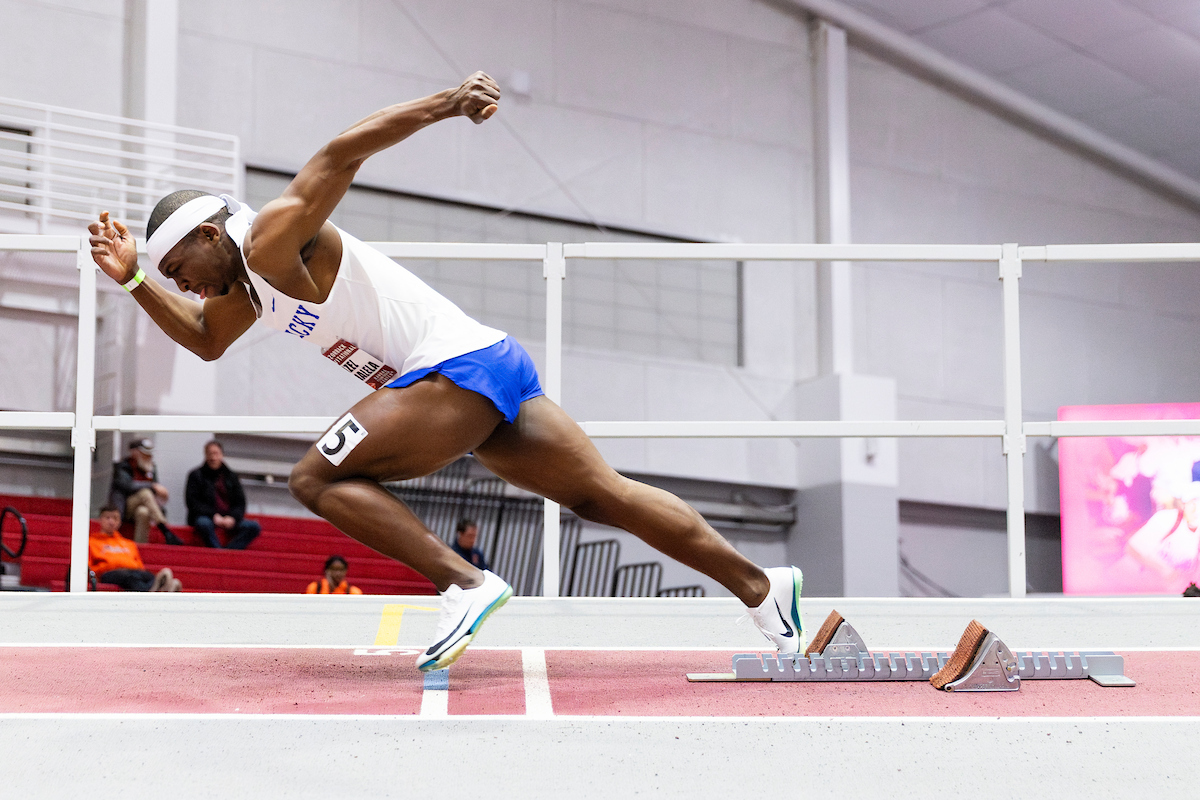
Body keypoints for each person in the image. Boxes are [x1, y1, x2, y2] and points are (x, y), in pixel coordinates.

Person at [87, 71, 804, 673]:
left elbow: (339, 153)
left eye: (180, 269)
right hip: (484, 365)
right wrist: (134, 281)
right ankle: (762, 586)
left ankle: (465, 583)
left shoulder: (271, 238)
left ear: (212, 234)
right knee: (600, 496)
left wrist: (448, 103)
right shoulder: (245, 286)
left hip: (453, 373)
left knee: (314, 478)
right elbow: (206, 342)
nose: (184, 286)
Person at [185, 440, 261, 549]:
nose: (213, 457)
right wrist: (213, 515)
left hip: (228, 518)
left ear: (222, 455)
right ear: (205, 455)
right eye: (210, 454)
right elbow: (192, 502)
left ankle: (227, 552)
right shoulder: (196, 475)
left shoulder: (232, 476)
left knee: (254, 527)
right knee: (203, 524)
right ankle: (219, 553)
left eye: (216, 453)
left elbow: (240, 503)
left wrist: (233, 518)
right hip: (207, 518)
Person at [89, 505, 181, 591]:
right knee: (127, 577)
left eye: (115, 518)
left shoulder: (129, 543)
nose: (111, 521)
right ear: (100, 520)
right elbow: (89, 568)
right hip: (109, 573)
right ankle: (157, 590)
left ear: (120, 522)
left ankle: (157, 588)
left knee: (147, 576)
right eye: (107, 518)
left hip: (133, 572)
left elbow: (139, 566)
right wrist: (107, 567)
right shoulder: (91, 542)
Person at [110, 439, 183, 545]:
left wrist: (160, 495)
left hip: (143, 505)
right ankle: (164, 529)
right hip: (126, 505)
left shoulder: (151, 468)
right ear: (135, 452)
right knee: (145, 492)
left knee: (143, 512)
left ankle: (140, 546)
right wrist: (152, 486)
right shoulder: (123, 466)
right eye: (144, 453)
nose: (148, 456)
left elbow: (155, 489)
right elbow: (127, 486)